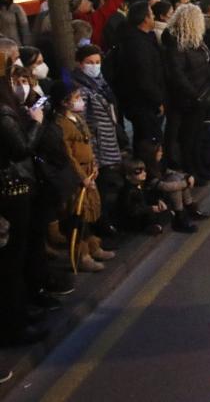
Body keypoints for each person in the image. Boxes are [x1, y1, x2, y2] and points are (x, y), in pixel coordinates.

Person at [0, 53, 48, 346]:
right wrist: (37, 123)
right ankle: (13, 325)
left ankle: (20, 312)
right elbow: (21, 148)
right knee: (11, 261)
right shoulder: (4, 111)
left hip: (12, 187)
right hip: (10, 189)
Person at [51, 81, 115, 272]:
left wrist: (94, 164)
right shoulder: (60, 124)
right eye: (76, 97)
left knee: (89, 214)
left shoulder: (77, 119)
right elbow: (68, 156)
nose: (79, 100)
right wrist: (82, 177)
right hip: (76, 178)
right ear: (65, 102)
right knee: (77, 217)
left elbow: (88, 144)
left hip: (89, 171)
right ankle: (83, 255)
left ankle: (93, 246)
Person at [72, 45, 125, 227]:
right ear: (80, 64)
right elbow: (83, 123)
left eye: (97, 62)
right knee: (103, 187)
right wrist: (92, 155)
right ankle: (101, 224)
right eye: (89, 63)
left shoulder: (101, 82)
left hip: (108, 140)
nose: (94, 66)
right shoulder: (81, 89)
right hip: (98, 146)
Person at [162, 5, 210, 178]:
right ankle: (191, 170)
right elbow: (177, 75)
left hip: (201, 95)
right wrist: (196, 95)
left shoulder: (196, 41)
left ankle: (198, 166)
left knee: (197, 135)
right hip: (189, 99)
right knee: (188, 137)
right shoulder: (176, 43)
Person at [116, 1, 166, 145]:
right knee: (148, 139)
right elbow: (144, 77)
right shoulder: (137, 44)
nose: (154, 17)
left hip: (142, 101)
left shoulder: (142, 38)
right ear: (145, 18)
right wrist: (157, 100)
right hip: (143, 103)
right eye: (151, 14)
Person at [71, 0, 140, 48]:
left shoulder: (76, 18)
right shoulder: (89, 19)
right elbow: (111, 4)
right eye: (86, 1)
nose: (90, 2)